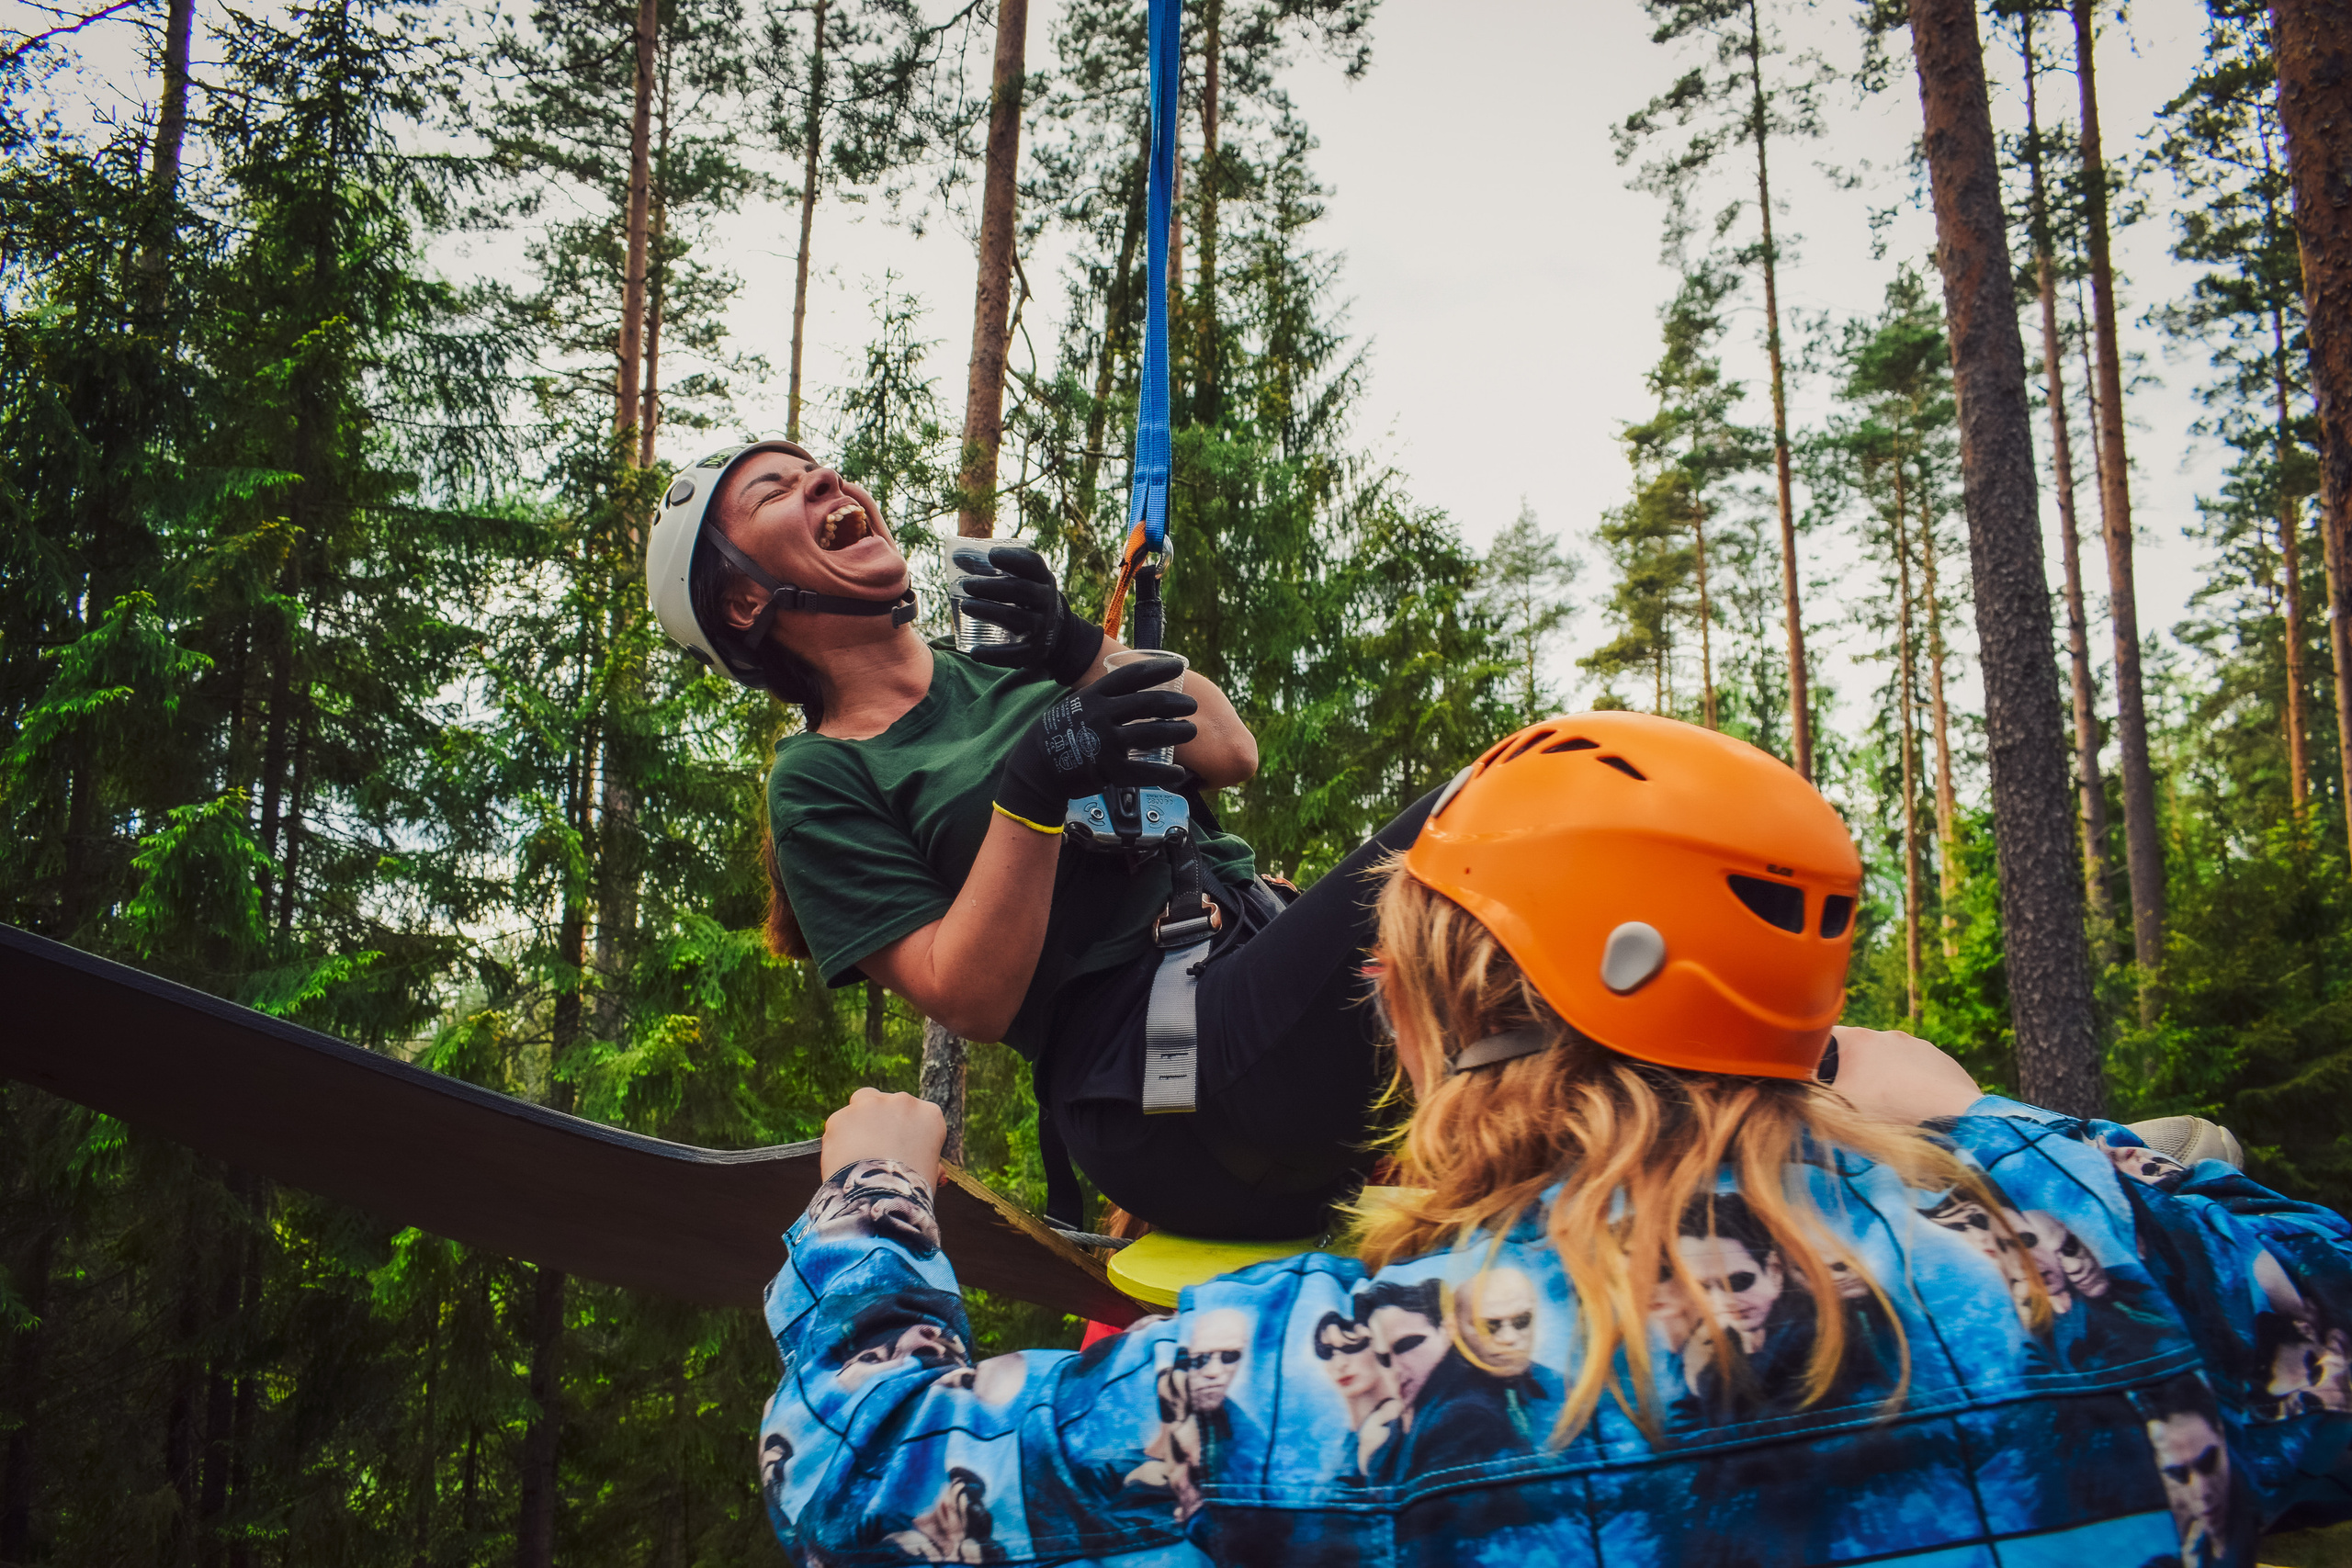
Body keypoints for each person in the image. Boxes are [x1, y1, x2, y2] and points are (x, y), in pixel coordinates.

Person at [752, 710, 2352, 1565]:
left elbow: (862, 1479)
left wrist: (873, 1197)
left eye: (1403, 961)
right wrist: (1999, 1125)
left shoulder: (1366, 1379)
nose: (1366, 979)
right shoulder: (2113, 1246)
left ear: (1450, 1008)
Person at [644, 440, 1442, 1239]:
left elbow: (1230, 750)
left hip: (1259, 975)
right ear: (745, 600)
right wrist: (1033, 790)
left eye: (820, 467)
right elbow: (968, 995)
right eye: (774, 491)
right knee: (1487, 813)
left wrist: (1072, 642)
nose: (826, 479)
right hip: (1161, 1077)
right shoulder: (822, 776)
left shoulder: (1007, 659)